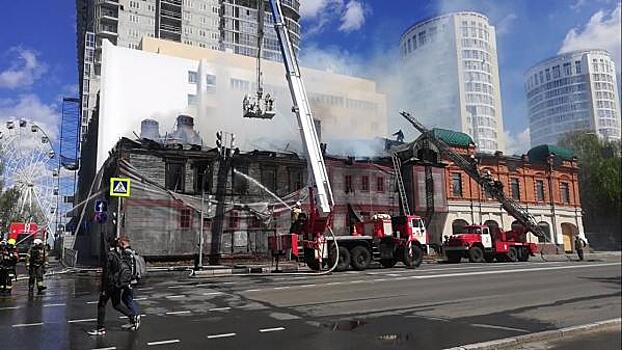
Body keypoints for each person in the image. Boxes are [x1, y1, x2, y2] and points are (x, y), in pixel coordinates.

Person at [88, 237, 138, 336]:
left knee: (101, 304)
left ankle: (100, 328)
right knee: (116, 304)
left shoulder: (109, 255)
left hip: (109, 285)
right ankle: (132, 316)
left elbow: (106, 273)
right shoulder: (117, 255)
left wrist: (103, 288)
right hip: (117, 285)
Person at [117, 236, 141, 329]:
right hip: (133, 279)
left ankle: (135, 318)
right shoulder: (132, 251)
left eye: (119, 244)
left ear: (123, 243)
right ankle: (134, 317)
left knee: (128, 299)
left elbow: (128, 268)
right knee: (126, 298)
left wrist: (126, 280)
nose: (118, 246)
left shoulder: (126, 253)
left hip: (130, 280)